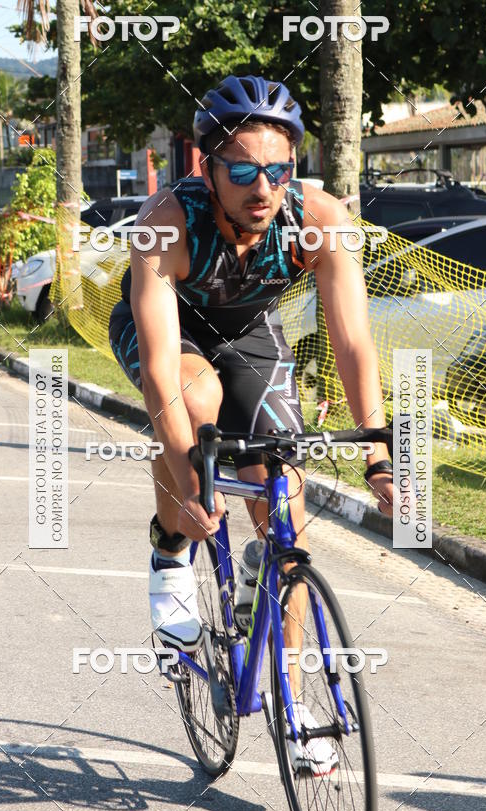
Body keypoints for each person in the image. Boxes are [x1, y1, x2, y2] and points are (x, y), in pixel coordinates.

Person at [109, 75, 394, 775]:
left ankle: (294, 706)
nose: (262, 187)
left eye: (278, 169)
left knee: (285, 509)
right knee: (192, 395)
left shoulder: (317, 218)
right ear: (205, 168)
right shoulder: (166, 223)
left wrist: (379, 450)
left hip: (250, 336)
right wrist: (190, 482)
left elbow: (354, 340)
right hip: (169, 338)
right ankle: (170, 552)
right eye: (242, 170)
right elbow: (157, 374)